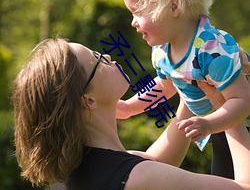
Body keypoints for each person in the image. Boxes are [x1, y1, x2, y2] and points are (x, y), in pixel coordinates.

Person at [13, 38, 250, 190]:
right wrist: (226, 105)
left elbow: (156, 161)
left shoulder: (72, 174)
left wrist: (189, 77)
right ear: (88, 100)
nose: (106, 56)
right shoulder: (138, 178)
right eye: (97, 60)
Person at [120, 0, 250, 179]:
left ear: (173, 7)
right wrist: (129, 107)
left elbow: (242, 100)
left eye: (138, 12)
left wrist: (209, 124)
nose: (133, 22)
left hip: (239, 126)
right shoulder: (162, 49)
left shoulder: (211, 49)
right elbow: (165, 84)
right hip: (220, 129)